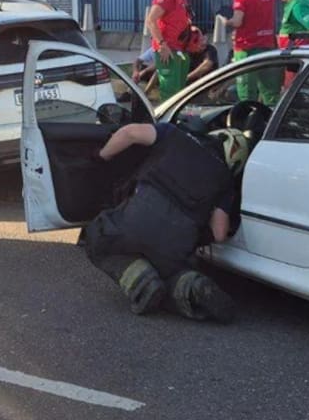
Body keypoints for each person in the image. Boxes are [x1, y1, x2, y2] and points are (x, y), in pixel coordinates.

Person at [79, 122, 249, 322]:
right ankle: (189, 287)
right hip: (176, 243)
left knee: (97, 238)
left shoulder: (174, 134)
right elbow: (219, 233)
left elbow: (130, 133)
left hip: (137, 219)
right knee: (169, 273)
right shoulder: (226, 181)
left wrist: (102, 155)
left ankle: (142, 282)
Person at [218, 0, 277, 105]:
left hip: (246, 47)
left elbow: (238, 21)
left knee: (246, 90)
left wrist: (226, 21)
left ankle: (248, 121)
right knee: (269, 89)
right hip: (267, 45)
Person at [132, 26, 217, 90]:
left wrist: (186, 77)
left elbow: (206, 65)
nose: (200, 41)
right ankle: (141, 93)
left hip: (203, 84)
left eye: (200, 38)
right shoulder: (186, 51)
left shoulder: (210, 50)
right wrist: (144, 72)